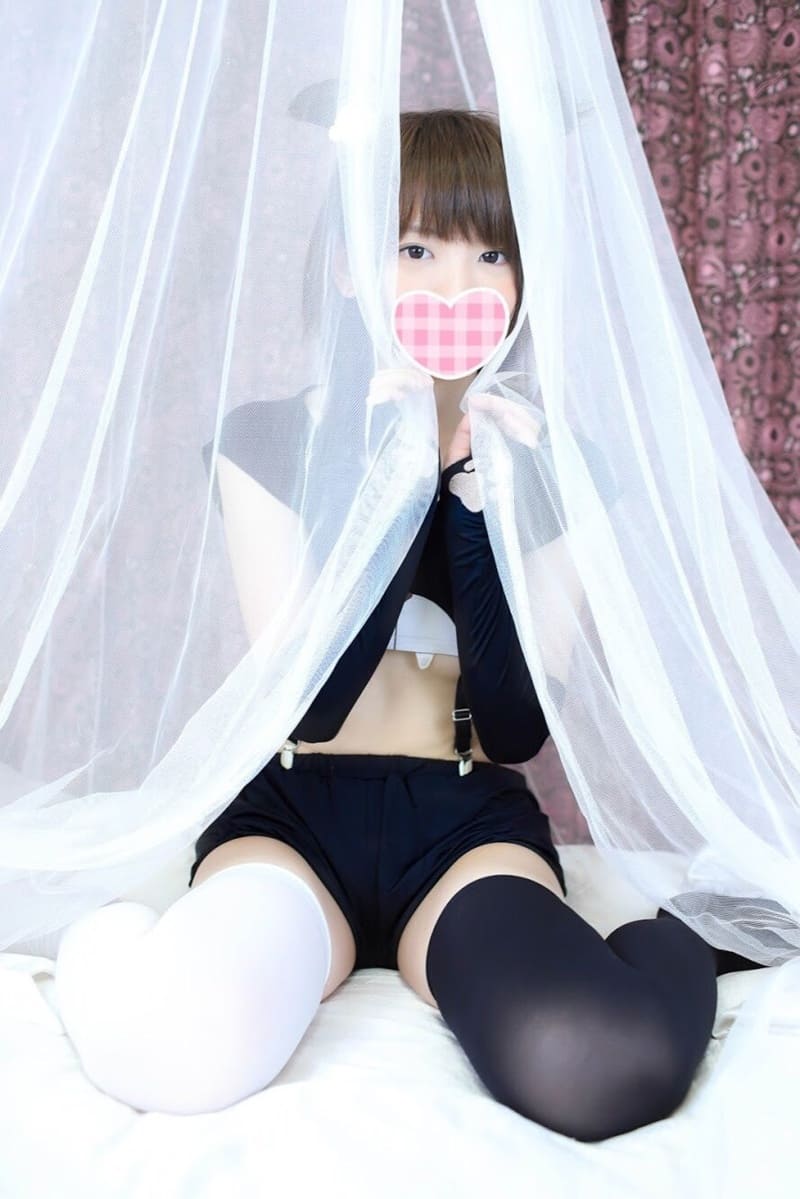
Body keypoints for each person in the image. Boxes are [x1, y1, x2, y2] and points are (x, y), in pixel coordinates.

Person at [55, 109, 743, 1139]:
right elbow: (309, 702)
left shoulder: (556, 467)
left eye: (488, 252)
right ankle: (106, 939)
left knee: (602, 1066)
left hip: (464, 823)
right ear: (348, 268)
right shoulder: (267, 442)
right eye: (415, 248)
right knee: (176, 1050)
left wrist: (470, 508)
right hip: (293, 813)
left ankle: (676, 938)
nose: (453, 283)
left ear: (521, 281)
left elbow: (514, 726)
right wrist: (393, 485)